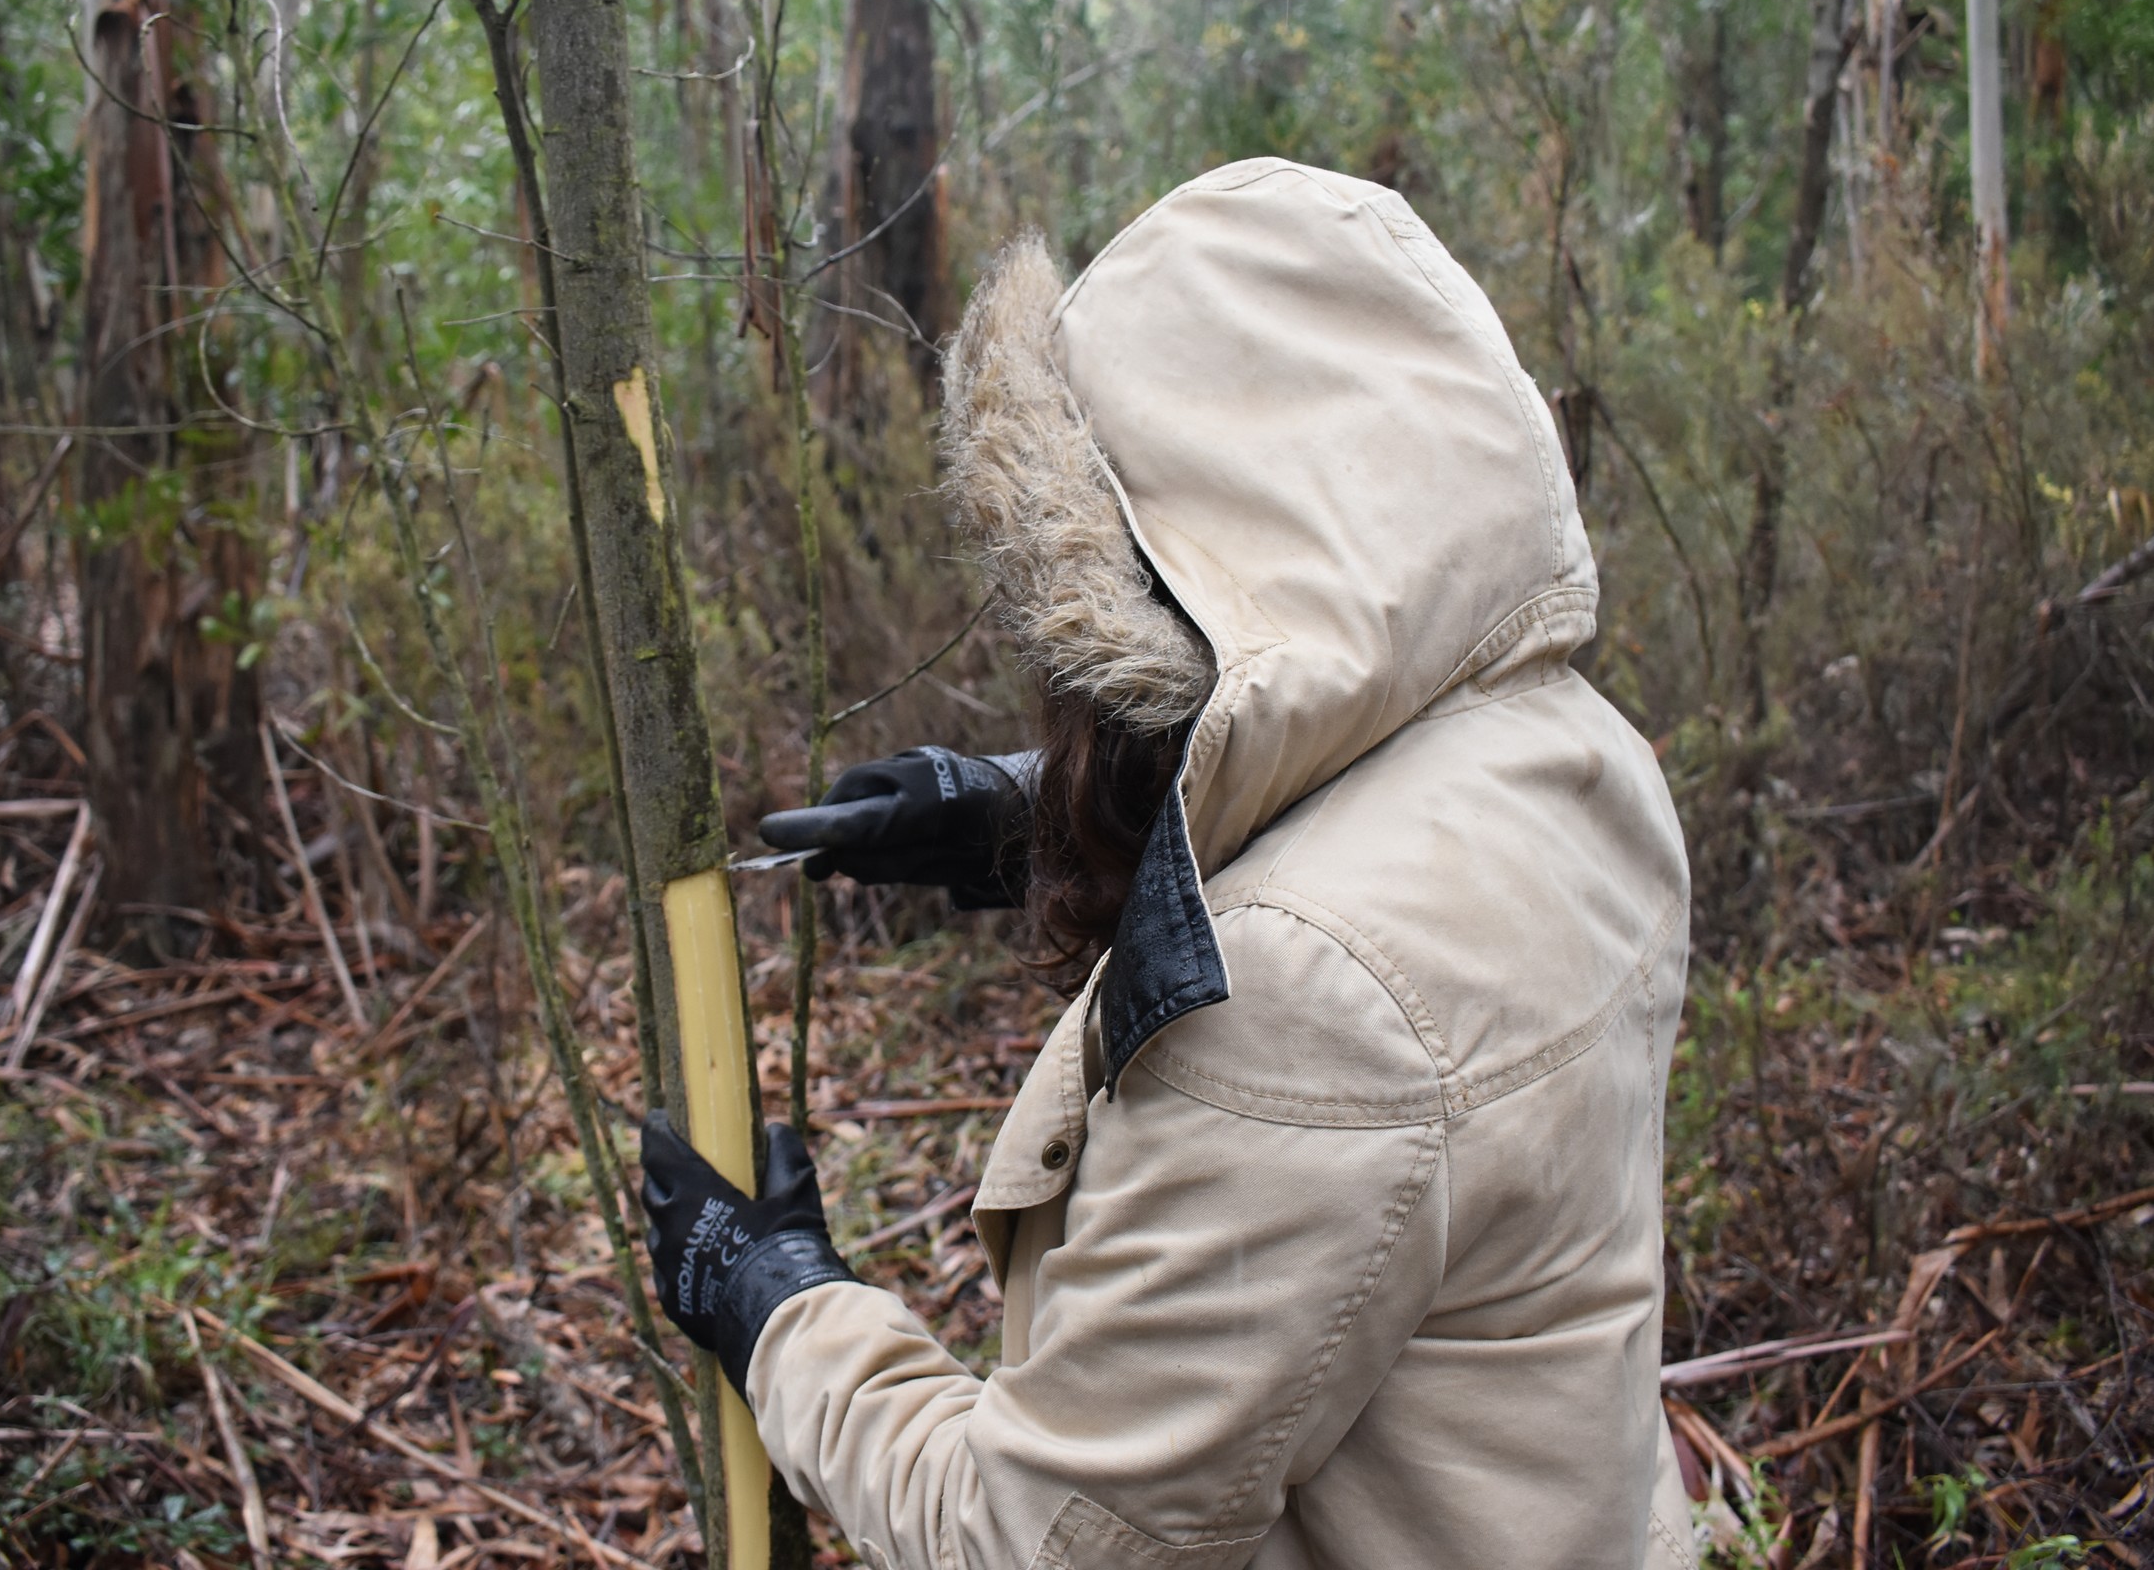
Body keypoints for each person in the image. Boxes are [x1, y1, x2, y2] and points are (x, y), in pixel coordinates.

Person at [636, 158, 1698, 1570]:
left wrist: (780, 1309)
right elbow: (1350, 778)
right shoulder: (1575, 759)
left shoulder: (1303, 1010)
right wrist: (1020, 818)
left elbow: (1034, 1539)